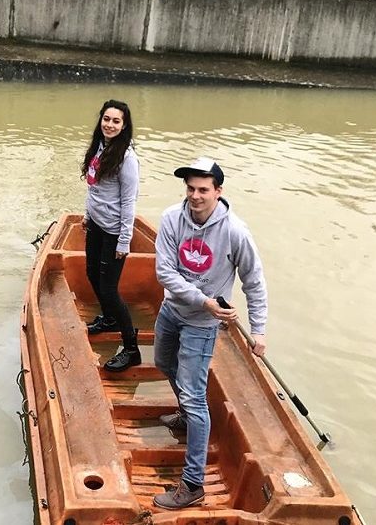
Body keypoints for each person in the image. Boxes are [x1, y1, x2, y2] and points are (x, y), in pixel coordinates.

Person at [152, 157, 268, 510]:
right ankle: (189, 419)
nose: (195, 196)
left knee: (193, 395)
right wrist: (204, 300)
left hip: (203, 325)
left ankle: (193, 484)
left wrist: (259, 330)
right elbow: (165, 273)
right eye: (190, 189)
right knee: (161, 362)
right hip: (174, 309)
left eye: (203, 189)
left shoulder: (235, 232)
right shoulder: (172, 218)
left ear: (219, 191)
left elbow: (254, 282)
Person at [81, 99, 141, 372]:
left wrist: (124, 240)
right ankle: (109, 319)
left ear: (124, 125)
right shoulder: (99, 147)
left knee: (108, 288)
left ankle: (131, 349)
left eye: (116, 121)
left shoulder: (126, 158)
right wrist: (87, 215)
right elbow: (93, 188)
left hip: (114, 230)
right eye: (107, 119)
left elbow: (129, 202)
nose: (110, 124)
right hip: (95, 224)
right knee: (92, 274)